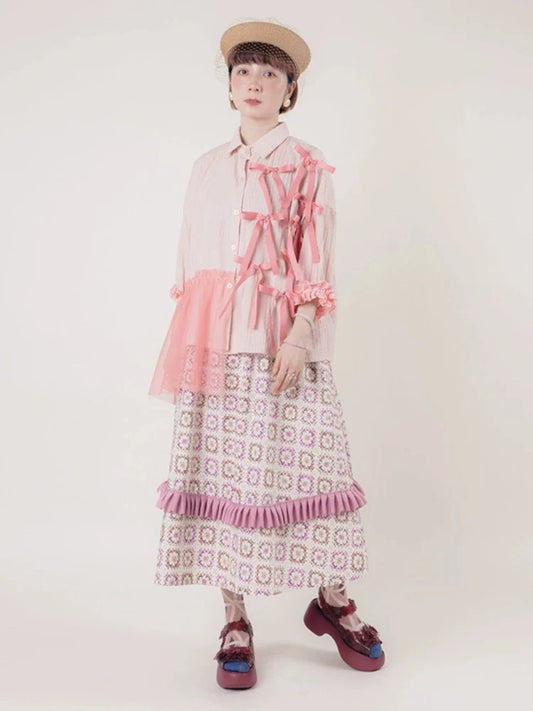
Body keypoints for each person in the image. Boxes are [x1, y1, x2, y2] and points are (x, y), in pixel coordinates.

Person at [148, 19, 385, 690]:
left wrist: (300, 332)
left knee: (313, 467)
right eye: (242, 71)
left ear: (290, 90)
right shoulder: (205, 166)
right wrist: (193, 344)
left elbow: (317, 256)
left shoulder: (307, 163)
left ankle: (332, 598)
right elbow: (189, 261)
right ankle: (234, 617)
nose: (254, 82)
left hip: (284, 341)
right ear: (229, 86)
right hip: (213, 343)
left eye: (269, 73)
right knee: (220, 476)